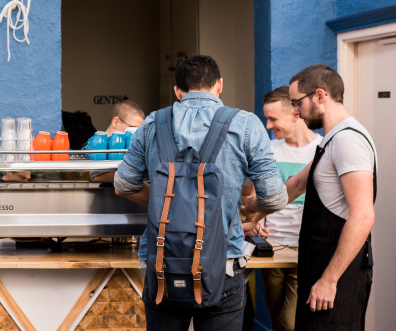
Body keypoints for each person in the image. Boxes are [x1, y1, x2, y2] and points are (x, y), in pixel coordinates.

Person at [114, 54, 287, 330]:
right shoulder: (245, 124)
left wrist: (163, 195)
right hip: (224, 265)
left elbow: (123, 185)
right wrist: (250, 209)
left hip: (162, 266)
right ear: (219, 85)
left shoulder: (152, 123)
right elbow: (275, 197)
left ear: (177, 91)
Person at [244, 65, 376, 331]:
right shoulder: (330, 140)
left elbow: (363, 216)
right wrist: (253, 212)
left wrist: (329, 279)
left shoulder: (348, 141)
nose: (295, 112)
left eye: (297, 103)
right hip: (315, 263)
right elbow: (295, 186)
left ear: (319, 96)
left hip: (336, 272)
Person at [260, 86, 322, 331]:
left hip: (304, 249)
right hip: (272, 248)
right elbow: (257, 195)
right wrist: (258, 221)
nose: (268, 125)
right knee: (278, 321)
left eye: (273, 119)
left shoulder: (322, 149)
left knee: (288, 322)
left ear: (295, 114)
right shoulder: (269, 149)